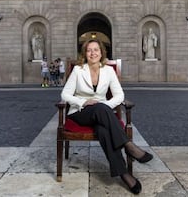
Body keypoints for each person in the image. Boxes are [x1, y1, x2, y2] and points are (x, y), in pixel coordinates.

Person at [61, 39, 152, 194]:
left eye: (96, 49)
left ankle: (124, 174)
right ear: (85, 53)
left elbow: (119, 95)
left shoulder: (109, 71)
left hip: (102, 113)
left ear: (101, 52)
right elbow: (65, 94)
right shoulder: (78, 70)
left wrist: (104, 106)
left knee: (103, 131)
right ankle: (128, 146)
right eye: (89, 50)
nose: (93, 53)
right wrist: (83, 102)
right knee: (99, 110)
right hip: (80, 112)